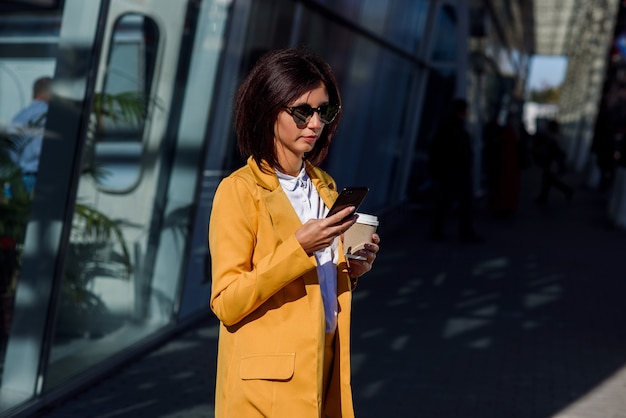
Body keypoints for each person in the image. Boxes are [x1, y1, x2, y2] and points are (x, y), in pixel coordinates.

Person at [208, 48, 380, 418]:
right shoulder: (240, 190)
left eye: (325, 111)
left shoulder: (325, 186)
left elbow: (319, 282)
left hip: (324, 369)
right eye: (302, 111)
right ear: (269, 110)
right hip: (265, 388)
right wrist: (298, 247)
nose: (315, 123)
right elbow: (226, 302)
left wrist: (352, 270)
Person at [427, 98, 482, 242]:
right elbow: (456, 150)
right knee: (462, 203)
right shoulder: (454, 127)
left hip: (449, 171)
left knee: (444, 203)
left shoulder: (446, 125)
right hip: (455, 171)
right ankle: (464, 233)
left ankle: (438, 231)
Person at [8, 76, 51, 194]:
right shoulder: (49, 116)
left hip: (18, 179)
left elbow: (10, 151)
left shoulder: (20, 116)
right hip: (40, 179)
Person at [532, 119, 574, 204]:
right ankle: (544, 197)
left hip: (552, 162)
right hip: (553, 162)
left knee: (550, 180)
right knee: (548, 180)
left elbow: (555, 152)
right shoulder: (556, 136)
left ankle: (567, 191)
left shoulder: (553, 138)